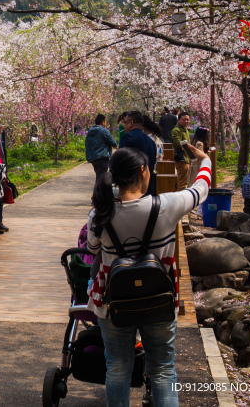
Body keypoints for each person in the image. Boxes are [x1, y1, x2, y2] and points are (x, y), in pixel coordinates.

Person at [86, 143, 212, 407]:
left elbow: (92, 249)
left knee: (117, 369)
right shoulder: (168, 205)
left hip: (114, 303)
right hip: (158, 299)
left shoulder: (100, 213)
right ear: (143, 171)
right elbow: (201, 189)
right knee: (163, 370)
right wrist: (204, 160)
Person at [119, 111, 158, 196]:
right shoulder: (151, 142)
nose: (124, 126)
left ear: (131, 123)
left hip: (131, 188)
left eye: (125, 123)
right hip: (147, 187)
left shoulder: (127, 138)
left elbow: (121, 162)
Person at [85, 114, 117, 179]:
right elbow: (112, 141)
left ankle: (98, 188)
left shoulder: (90, 131)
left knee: (99, 176)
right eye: (105, 121)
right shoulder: (103, 130)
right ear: (103, 122)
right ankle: (98, 189)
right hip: (102, 157)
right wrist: (116, 146)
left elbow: (87, 143)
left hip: (93, 158)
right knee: (101, 179)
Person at [171, 112, 191, 189]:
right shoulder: (176, 130)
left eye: (187, 120)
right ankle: (181, 199)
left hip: (186, 157)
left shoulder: (184, 128)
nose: (186, 121)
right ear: (178, 120)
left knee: (184, 181)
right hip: (181, 158)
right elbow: (178, 143)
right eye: (184, 120)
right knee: (182, 182)